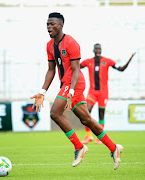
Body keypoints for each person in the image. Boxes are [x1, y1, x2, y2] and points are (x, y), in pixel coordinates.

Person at [31, 12, 123, 170]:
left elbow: (75, 70)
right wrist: (42, 91)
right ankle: (114, 148)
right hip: (66, 84)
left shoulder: (71, 43)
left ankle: (79, 147)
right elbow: (51, 70)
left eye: (52, 24)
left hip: (75, 82)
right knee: (86, 120)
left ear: (61, 25)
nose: (48, 27)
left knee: (54, 113)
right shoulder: (49, 45)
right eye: (47, 24)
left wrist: (71, 91)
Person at [80, 43, 136, 144]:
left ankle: (99, 137)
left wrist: (130, 59)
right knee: (86, 112)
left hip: (103, 93)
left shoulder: (107, 61)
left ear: (101, 50)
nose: (98, 50)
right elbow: (76, 67)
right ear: (93, 50)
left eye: (99, 49)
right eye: (96, 49)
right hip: (92, 92)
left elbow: (121, 69)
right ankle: (88, 136)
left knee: (101, 115)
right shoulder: (88, 62)